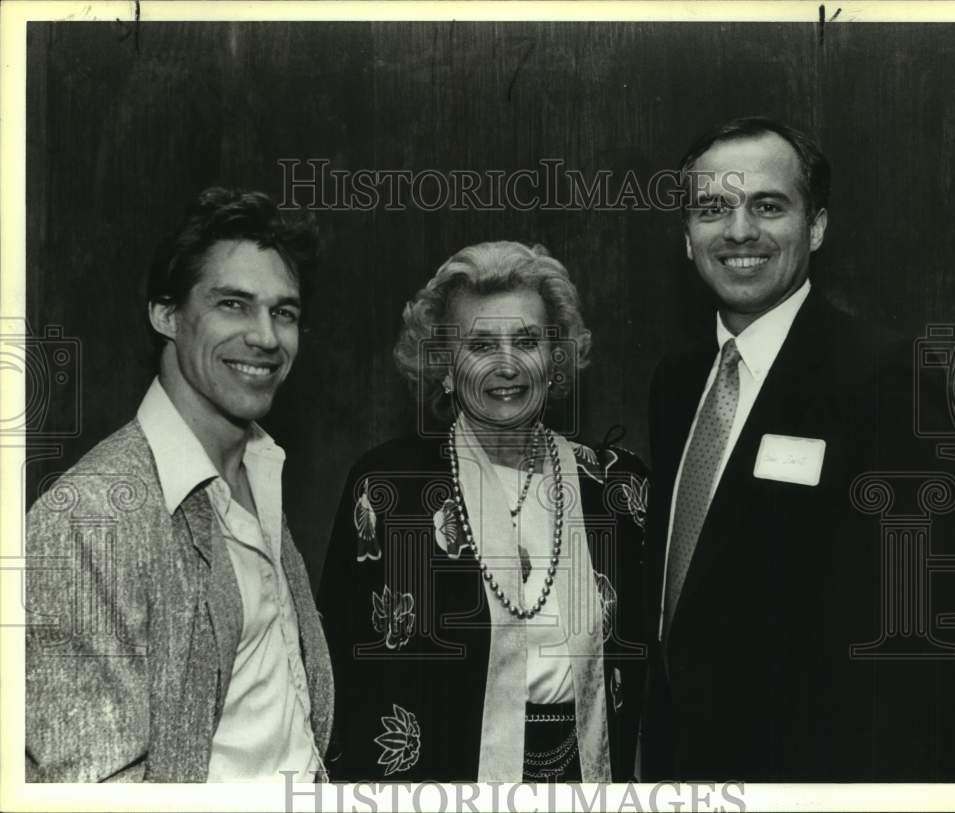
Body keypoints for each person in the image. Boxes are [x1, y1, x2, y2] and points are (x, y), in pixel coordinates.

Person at [641, 117, 955, 781]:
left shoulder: (890, 380)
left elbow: (923, 645)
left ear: (816, 226)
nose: (739, 231)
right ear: (687, 237)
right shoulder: (676, 383)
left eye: (768, 205)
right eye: (713, 208)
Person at [25, 188, 334, 782]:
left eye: (284, 312)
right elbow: (95, 789)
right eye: (234, 305)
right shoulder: (90, 517)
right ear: (165, 315)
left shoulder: (260, 472)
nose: (267, 338)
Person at [319, 241, 647, 781]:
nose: (507, 365)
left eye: (527, 341)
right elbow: (343, 678)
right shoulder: (388, 488)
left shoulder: (617, 488)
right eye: (480, 344)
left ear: (556, 358)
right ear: (446, 365)